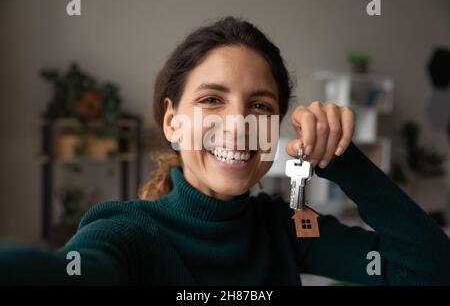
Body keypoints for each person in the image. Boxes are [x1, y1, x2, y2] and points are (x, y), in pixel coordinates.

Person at [1, 16, 449, 285]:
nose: (237, 124)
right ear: (172, 122)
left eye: (259, 106)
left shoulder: (289, 228)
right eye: (211, 100)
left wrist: (343, 160)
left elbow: (429, 272)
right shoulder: (126, 232)